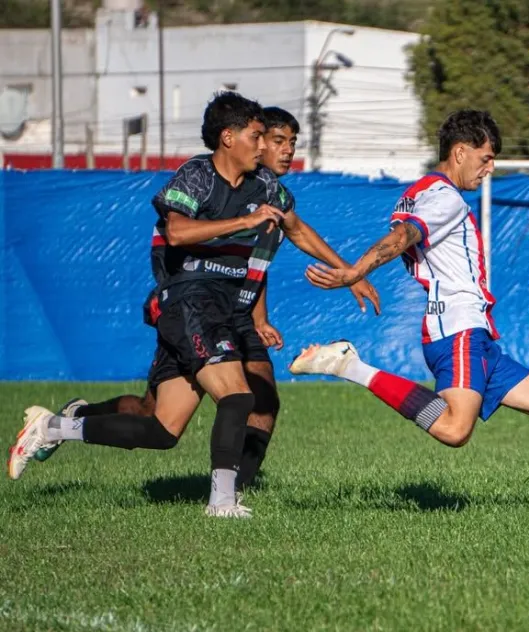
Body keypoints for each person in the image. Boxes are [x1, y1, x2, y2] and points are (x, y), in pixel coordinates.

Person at [9, 93, 373, 519]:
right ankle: (222, 503)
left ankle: (53, 427)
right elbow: (178, 231)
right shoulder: (196, 175)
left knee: (163, 429)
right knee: (237, 395)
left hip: (225, 309)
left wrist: (349, 271)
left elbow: (294, 229)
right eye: (259, 136)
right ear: (227, 137)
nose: (266, 146)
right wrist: (244, 221)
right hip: (189, 300)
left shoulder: (266, 186)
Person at [290, 109, 529, 517]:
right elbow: (403, 237)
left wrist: (358, 271)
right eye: (485, 158)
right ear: (459, 152)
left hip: (475, 335)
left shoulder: (421, 193)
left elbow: (408, 236)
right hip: (458, 332)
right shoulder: (444, 197)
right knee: (455, 429)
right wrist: (354, 272)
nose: (490, 167)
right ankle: (351, 366)